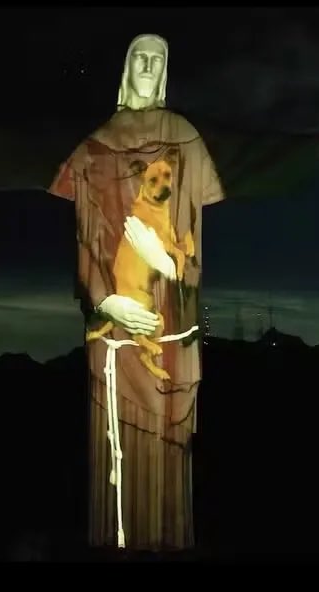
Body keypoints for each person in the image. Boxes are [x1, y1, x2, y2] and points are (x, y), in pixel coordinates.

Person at [47, 34, 223, 553]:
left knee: (170, 444)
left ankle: (169, 540)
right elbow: (84, 236)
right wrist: (105, 300)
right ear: (126, 69)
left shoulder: (184, 139)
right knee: (116, 443)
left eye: (158, 59)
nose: (147, 66)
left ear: (165, 71)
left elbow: (191, 235)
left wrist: (166, 262)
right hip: (116, 332)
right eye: (139, 57)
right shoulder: (95, 147)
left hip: (170, 323)